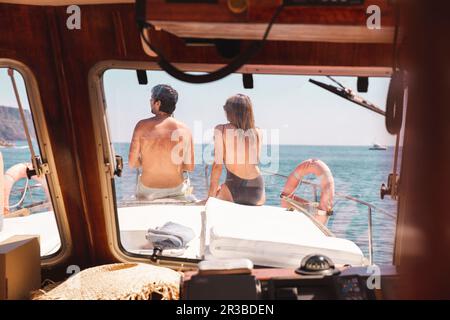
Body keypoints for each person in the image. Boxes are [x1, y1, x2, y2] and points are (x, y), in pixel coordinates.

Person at [129, 84, 194, 201]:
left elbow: (132, 163)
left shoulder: (141, 126)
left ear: (157, 103)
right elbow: (189, 167)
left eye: (151, 99)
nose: (150, 101)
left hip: (148, 189)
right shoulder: (185, 129)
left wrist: (149, 162)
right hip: (176, 189)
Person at [208, 94, 265, 206]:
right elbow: (256, 160)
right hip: (256, 188)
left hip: (233, 184)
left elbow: (217, 166)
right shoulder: (258, 132)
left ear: (230, 112)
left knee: (216, 202)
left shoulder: (221, 129)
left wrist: (210, 197)